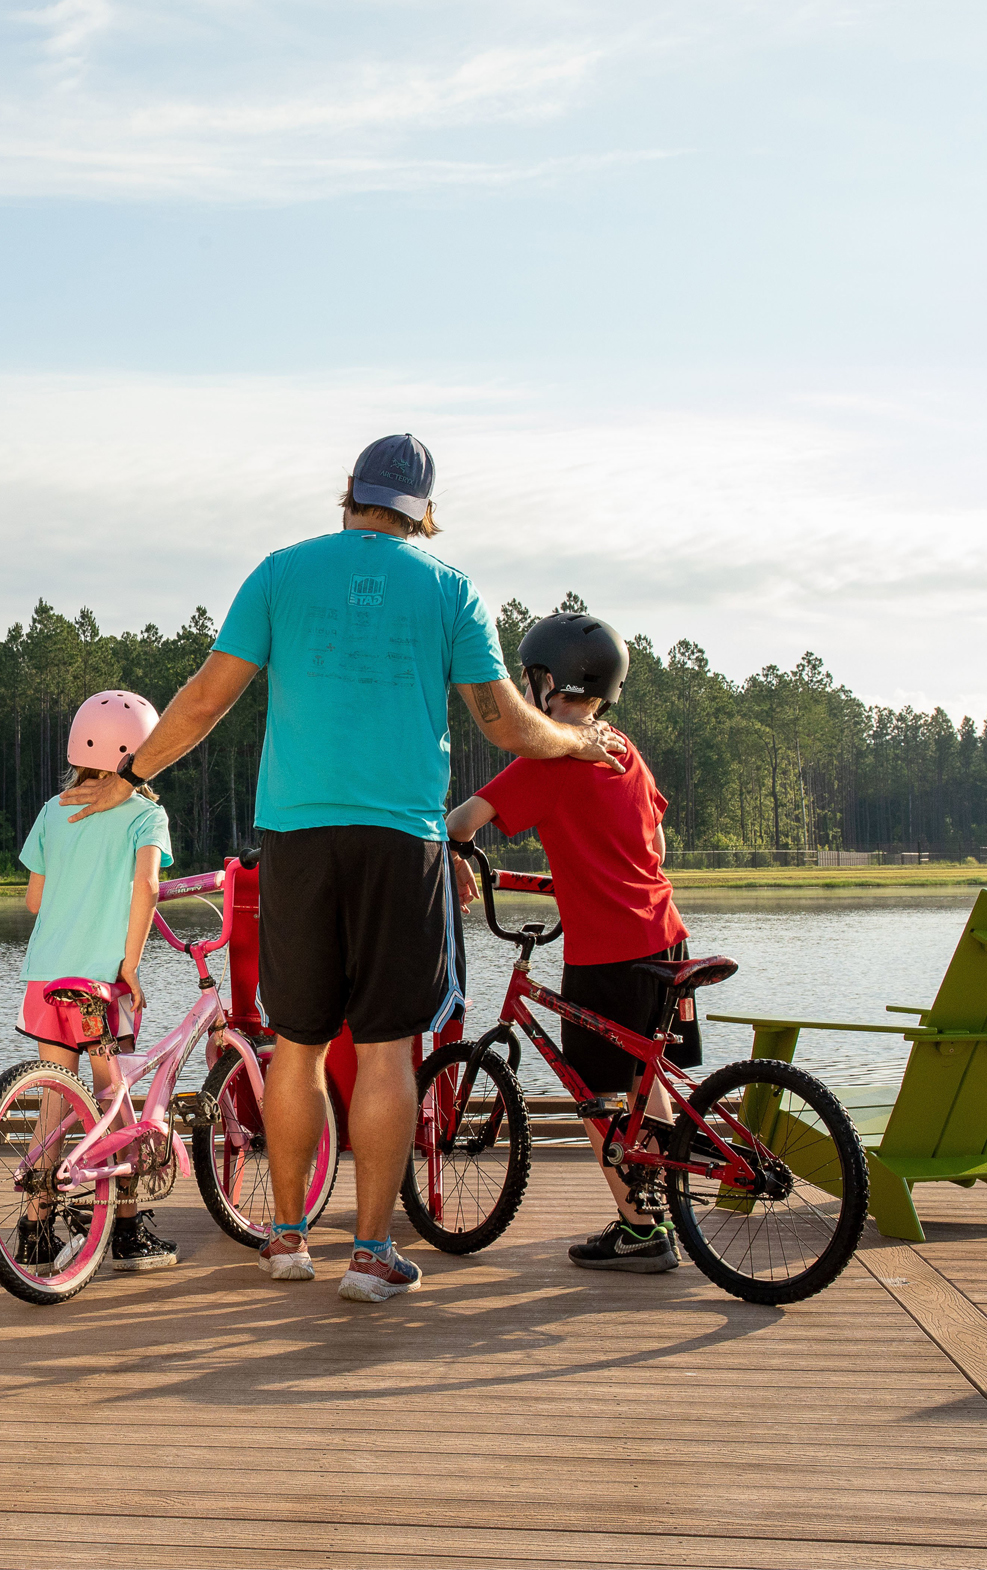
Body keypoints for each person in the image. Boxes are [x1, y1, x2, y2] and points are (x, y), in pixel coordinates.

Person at [63, 434, 624, 1304]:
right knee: (389, 1047)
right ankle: (369, 1254)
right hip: (402, 841)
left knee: (298, 1045)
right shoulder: (450, 590)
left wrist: (131, 775)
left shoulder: (281, 573)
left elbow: (207, 697)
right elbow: (509, 726)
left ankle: (287, 1241)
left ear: (349, 496)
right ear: (424, 514)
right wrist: (580, 743)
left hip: (297, 839)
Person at [446, 611, 695, 1274]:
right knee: (645, 1078)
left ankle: (641, 1232)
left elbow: (462, 821)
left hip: (608, 952)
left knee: (596, 1095)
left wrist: (462, 856)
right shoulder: (622, 748)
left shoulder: (550, 755)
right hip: (664, 936)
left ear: (547, 680)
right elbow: (657, 843)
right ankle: (666, 1208)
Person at [17, 689, 179, 1274]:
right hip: (100, 984)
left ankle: (35, 1227)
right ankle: (130, 1231)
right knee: (118, 1100)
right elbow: (150, 887)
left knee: (57, 1095)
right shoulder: (145, 814)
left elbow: (34, 901)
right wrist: (130, 963)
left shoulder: (51, 810)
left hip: (44, 978)